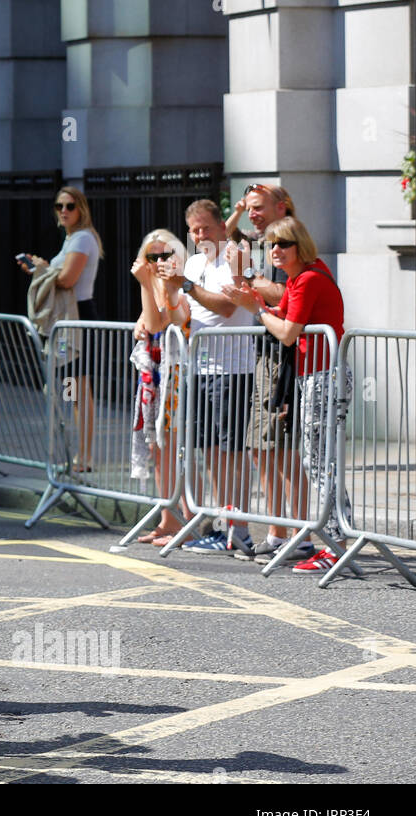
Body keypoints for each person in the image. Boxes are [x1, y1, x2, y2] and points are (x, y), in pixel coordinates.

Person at [224, 216, 348, 575]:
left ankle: (336, 544)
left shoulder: (308, 278)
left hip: (324, 376)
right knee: (318, 462)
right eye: (271, 245)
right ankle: (338, 540)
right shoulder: (300, 278)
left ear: (300, 246)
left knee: (320, 464)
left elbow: (289, 333)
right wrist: (258, 305)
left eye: (283, 244)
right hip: (315, 376)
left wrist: (257, 310)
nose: (275, 250)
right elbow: (288, 315)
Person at [157, 199, 257, 555]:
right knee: (210, 451)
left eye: (206, 228)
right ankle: (220, 524)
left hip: (233, 367)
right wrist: (170, 287)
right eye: (195, 230)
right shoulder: (196, 262)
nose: (200, 235)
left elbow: (229, 307)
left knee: (231, 452)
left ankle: (240, 528)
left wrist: (185, 284)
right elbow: (183, 313)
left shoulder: (237, 254)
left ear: (221, 226)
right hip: (199, 367)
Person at [228, 184, 311, 562]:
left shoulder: (293, 243)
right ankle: (278, 533)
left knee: (284, 448)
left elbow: (288, 295)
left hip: (287, 356)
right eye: (248, 208)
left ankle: (300, 535)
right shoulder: (257, 243)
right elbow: (226, 235)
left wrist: (253, 288)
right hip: (265, 352)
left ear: (282, 207)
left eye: (258, 208)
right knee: (262, 448)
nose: (252, 214)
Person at [19, 187, 102, 470]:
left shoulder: (82, 238)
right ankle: (79, 454)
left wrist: (44, 269)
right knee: (74, 388)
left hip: (76, 317)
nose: (64, 211)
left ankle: (85, 456)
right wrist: (42, 268)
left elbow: (67, 279)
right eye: (59, 206)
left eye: (69, 206)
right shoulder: (71, 239)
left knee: (79, 389)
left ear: (81, 209)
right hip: (68, 319)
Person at [130, 229, 191, 546]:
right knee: (157, 447)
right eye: (151, 256)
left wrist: (144, 285)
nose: (157, 262)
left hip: (175, 373)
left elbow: (156, 324)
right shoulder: (154, 284)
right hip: (154, 375)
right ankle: (168, 520)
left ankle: (186, 520)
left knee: (174, 447)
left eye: (164, 255)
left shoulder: (177, 284)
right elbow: (146, 323)